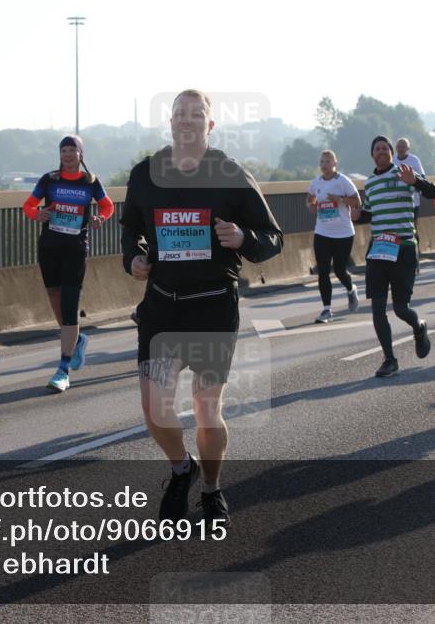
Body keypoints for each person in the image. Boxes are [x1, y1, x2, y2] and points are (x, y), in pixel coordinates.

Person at [120, 89, 283, 526]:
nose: (186, 121)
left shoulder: (230, 174)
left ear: (209, 125)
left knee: (207, 409)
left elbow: (273, 238)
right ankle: (181, 468)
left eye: (196, 114)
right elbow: (132, 228)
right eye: (179, 114)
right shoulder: (145, 174)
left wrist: (244, 239)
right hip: (161, 307)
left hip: (212, 307)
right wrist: (133, 257)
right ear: (170, 122)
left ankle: (210, 488)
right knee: (154, 407)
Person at [24, 135, 114, 392]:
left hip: (75, 249)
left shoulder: (90, 182)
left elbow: (107, 207)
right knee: (54, 296)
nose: (67, 155)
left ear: (81, 154)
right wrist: (36, 213)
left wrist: (100, 219)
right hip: (49, 247)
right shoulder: (49, 179)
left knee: (69, 303)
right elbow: (28, 205)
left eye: (72, 150)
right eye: (63, 150)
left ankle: (63, 369)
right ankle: (76, 341)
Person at [351, 135, 435, 378]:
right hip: (379, 249)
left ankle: (419, 326)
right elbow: (370, 213)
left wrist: (417, 182)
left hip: (404, 247)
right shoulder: (369, 183)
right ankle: (390, 359)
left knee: (400, 309)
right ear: (372, 155)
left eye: (384, 148)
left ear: (391, 152)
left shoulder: (404, 173)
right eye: (376, 148)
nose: (380, 151)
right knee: (377, 308)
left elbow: (434, 192)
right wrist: (358, 217)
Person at [306, 149, 361, 322]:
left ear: (335, 163)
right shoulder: (316, 183)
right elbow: (310, 199)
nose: (325, 165)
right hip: (322, 232)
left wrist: (340, 199)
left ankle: (351, 289)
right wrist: (311, 206)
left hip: (343, 233)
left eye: (328, 161)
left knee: (339, 270)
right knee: (323, 271)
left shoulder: (343, 181)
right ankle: (326, 309)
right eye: (322, 162)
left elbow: (357, 202)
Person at [395, 138, 426, 253]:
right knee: (398, 229)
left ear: (407, 149)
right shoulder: (392, 160)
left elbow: (422, 177)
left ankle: (415, 250)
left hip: (413, 201)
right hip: (397, 201)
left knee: (412, 228)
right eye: (399, 146)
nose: (401, 149)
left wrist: (412, 182)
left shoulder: (414, 160)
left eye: (403, 147)